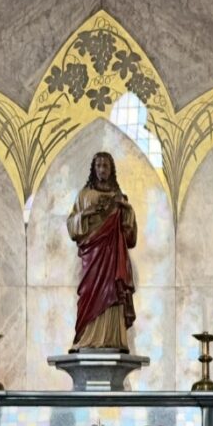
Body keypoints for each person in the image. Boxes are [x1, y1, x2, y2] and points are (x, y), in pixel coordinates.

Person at [67, 149, 137, 350]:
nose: (102, 169)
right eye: (98, 165)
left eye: (105, 165)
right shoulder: (84, 195)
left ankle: (113, 338)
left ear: (111, 169)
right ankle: (87, 337)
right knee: (90, 292)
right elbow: (72, 225)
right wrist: (87, 213)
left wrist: (127, 209)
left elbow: (130, 236)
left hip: (114, 257)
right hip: (92, 256)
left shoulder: (119, 197)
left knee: (113, 291)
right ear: (93, 169)